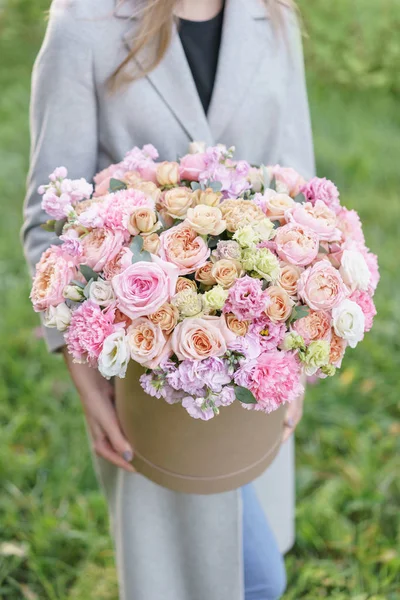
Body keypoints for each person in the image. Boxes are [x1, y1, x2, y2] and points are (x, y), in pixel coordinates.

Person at [22, 1, 314, 598]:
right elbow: (47, 215)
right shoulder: (85, 23)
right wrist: (80, 365)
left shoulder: (274, 16)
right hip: (149, 369)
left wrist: (303, 348)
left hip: (258, 360)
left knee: (242, 567)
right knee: (216, 577)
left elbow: (302, 194)